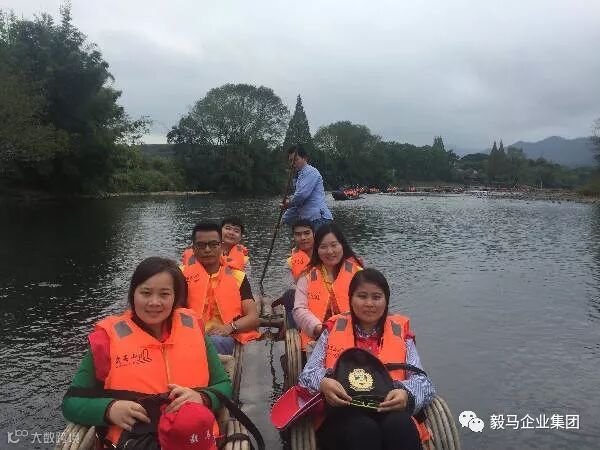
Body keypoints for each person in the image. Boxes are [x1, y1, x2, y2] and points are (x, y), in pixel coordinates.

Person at [62, 257, 232, 449]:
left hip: (196, 442)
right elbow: (71, 403)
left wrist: (203, 398)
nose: (154, 302)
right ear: (133, 294)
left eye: (164, 294)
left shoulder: (194, 330)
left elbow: (224, 385)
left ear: (175, 298)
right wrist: (109, 409)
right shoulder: (105, 340)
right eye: (146, 293)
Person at [297, 268, 435, 450]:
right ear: (351, 299)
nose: (369, 303)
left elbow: (424, 383)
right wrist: (323, 383)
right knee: (363, 429)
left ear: (386, 301)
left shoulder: (401, 334)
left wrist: (406, 394)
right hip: (343, 413)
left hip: (388, 409)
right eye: (362, 296)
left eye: (376, 297)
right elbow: (307, 375)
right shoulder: (331, 331)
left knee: (399, 425)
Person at [180, 222, 260, 355]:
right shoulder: (180, 275)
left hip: (221, 337)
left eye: (213, 244)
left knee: (215, 342)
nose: (207, 250)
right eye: (201, 245)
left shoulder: (237, 276)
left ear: (221, 246)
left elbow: (253, 318)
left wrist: (229, 327)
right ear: (193, 249)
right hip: (188, 334)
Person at [293, 222, 363, 351]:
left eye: (334, 245)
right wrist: (318, 328)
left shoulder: (359, 274)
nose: (330, 251)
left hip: (353, 336)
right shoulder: (306, 276)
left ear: (342, 245)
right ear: (317, 250)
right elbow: (299, 310)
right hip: (317, 338)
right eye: (323, 247)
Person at [272, 219, 315, 328]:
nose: (303, 238)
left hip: (324, 298)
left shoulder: (325, 255)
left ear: (314, 234)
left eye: (307, 233)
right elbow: (289, 286)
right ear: (294, 237)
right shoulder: (289, 263)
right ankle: (294, 329)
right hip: (302, 300)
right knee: (289, 295)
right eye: (298, 234)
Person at [282, 145, 333, 230]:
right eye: (290, 161)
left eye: (295, 160)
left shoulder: (311, 172)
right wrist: (283, 220)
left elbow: (301, 195)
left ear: (305, 158)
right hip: (309, 222)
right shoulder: (299, 177)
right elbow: (297, 204)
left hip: (319, 219)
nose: (293, 163)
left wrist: (288, 203)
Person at [180, 217, 250, 273]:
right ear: (219, 231)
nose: (231, 233)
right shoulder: (199, 251)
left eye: (236, 231)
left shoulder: (244, 260)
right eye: (228, 228)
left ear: (240, 237)